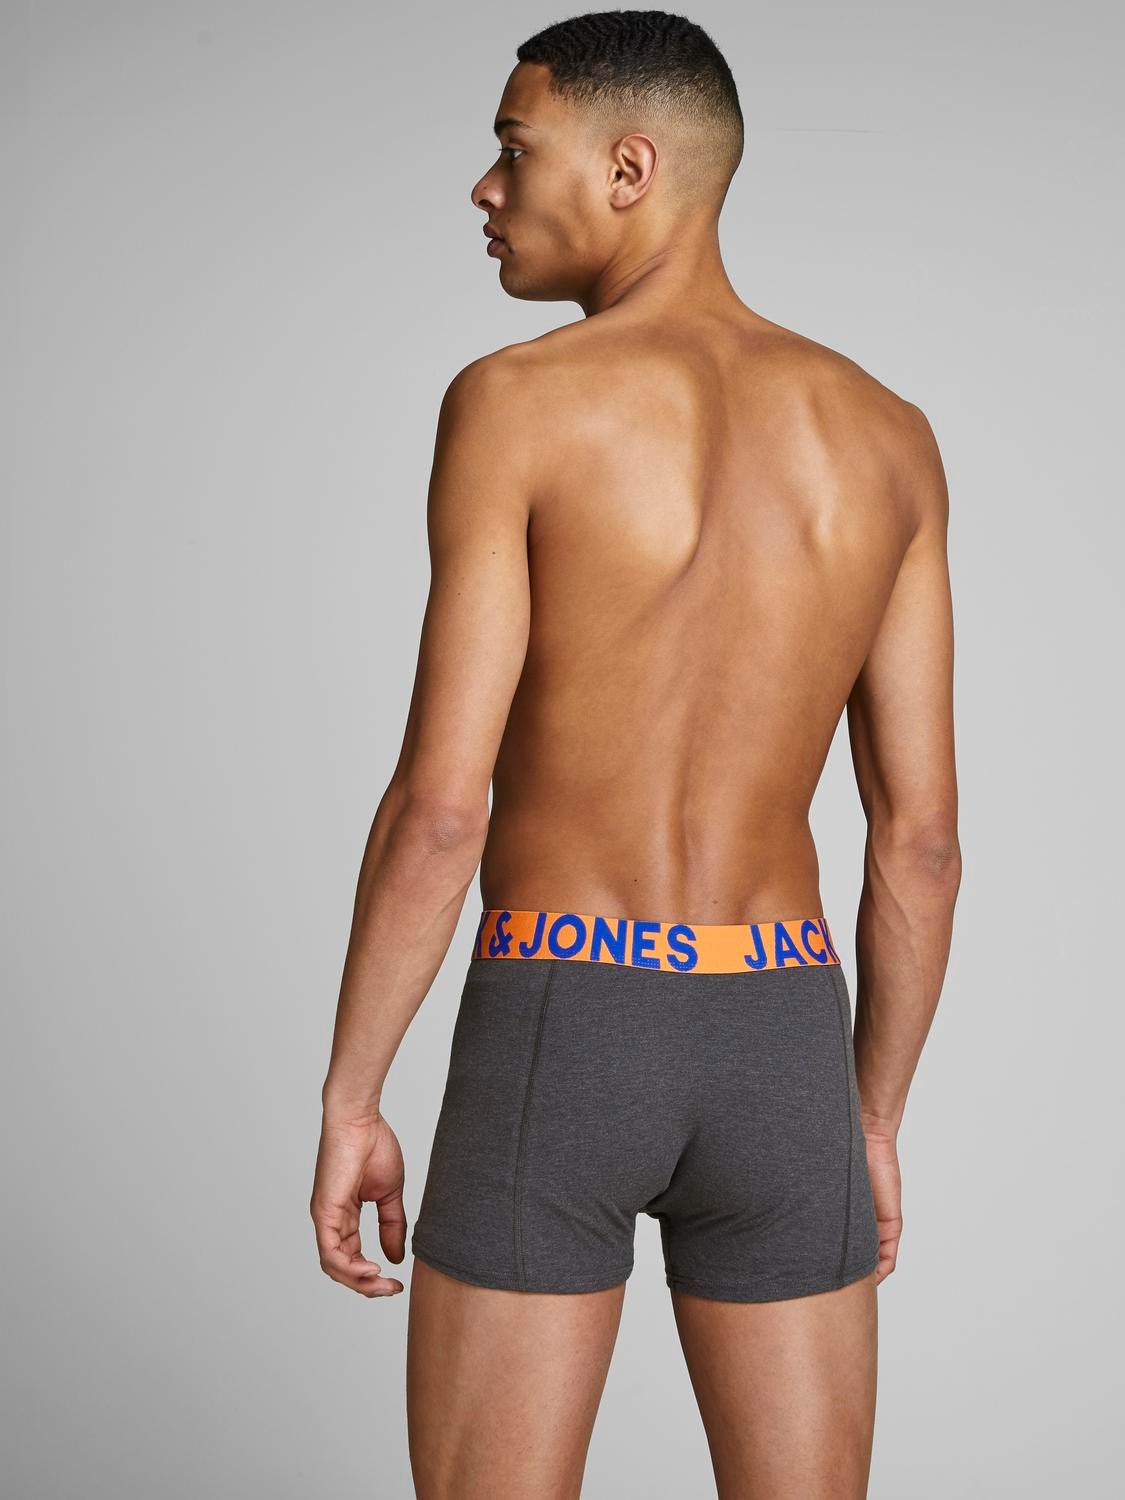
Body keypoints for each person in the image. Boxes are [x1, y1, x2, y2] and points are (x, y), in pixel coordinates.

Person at [310, 10, 960, 1497]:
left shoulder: (516, 402)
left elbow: (440, 809)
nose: (485, 187)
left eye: (512, 147)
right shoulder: (889, 435)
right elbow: (920, 843)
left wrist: (354, 1097)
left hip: (568, 1009)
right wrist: (865, 1119)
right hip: (784, 1026)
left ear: (628, 167)